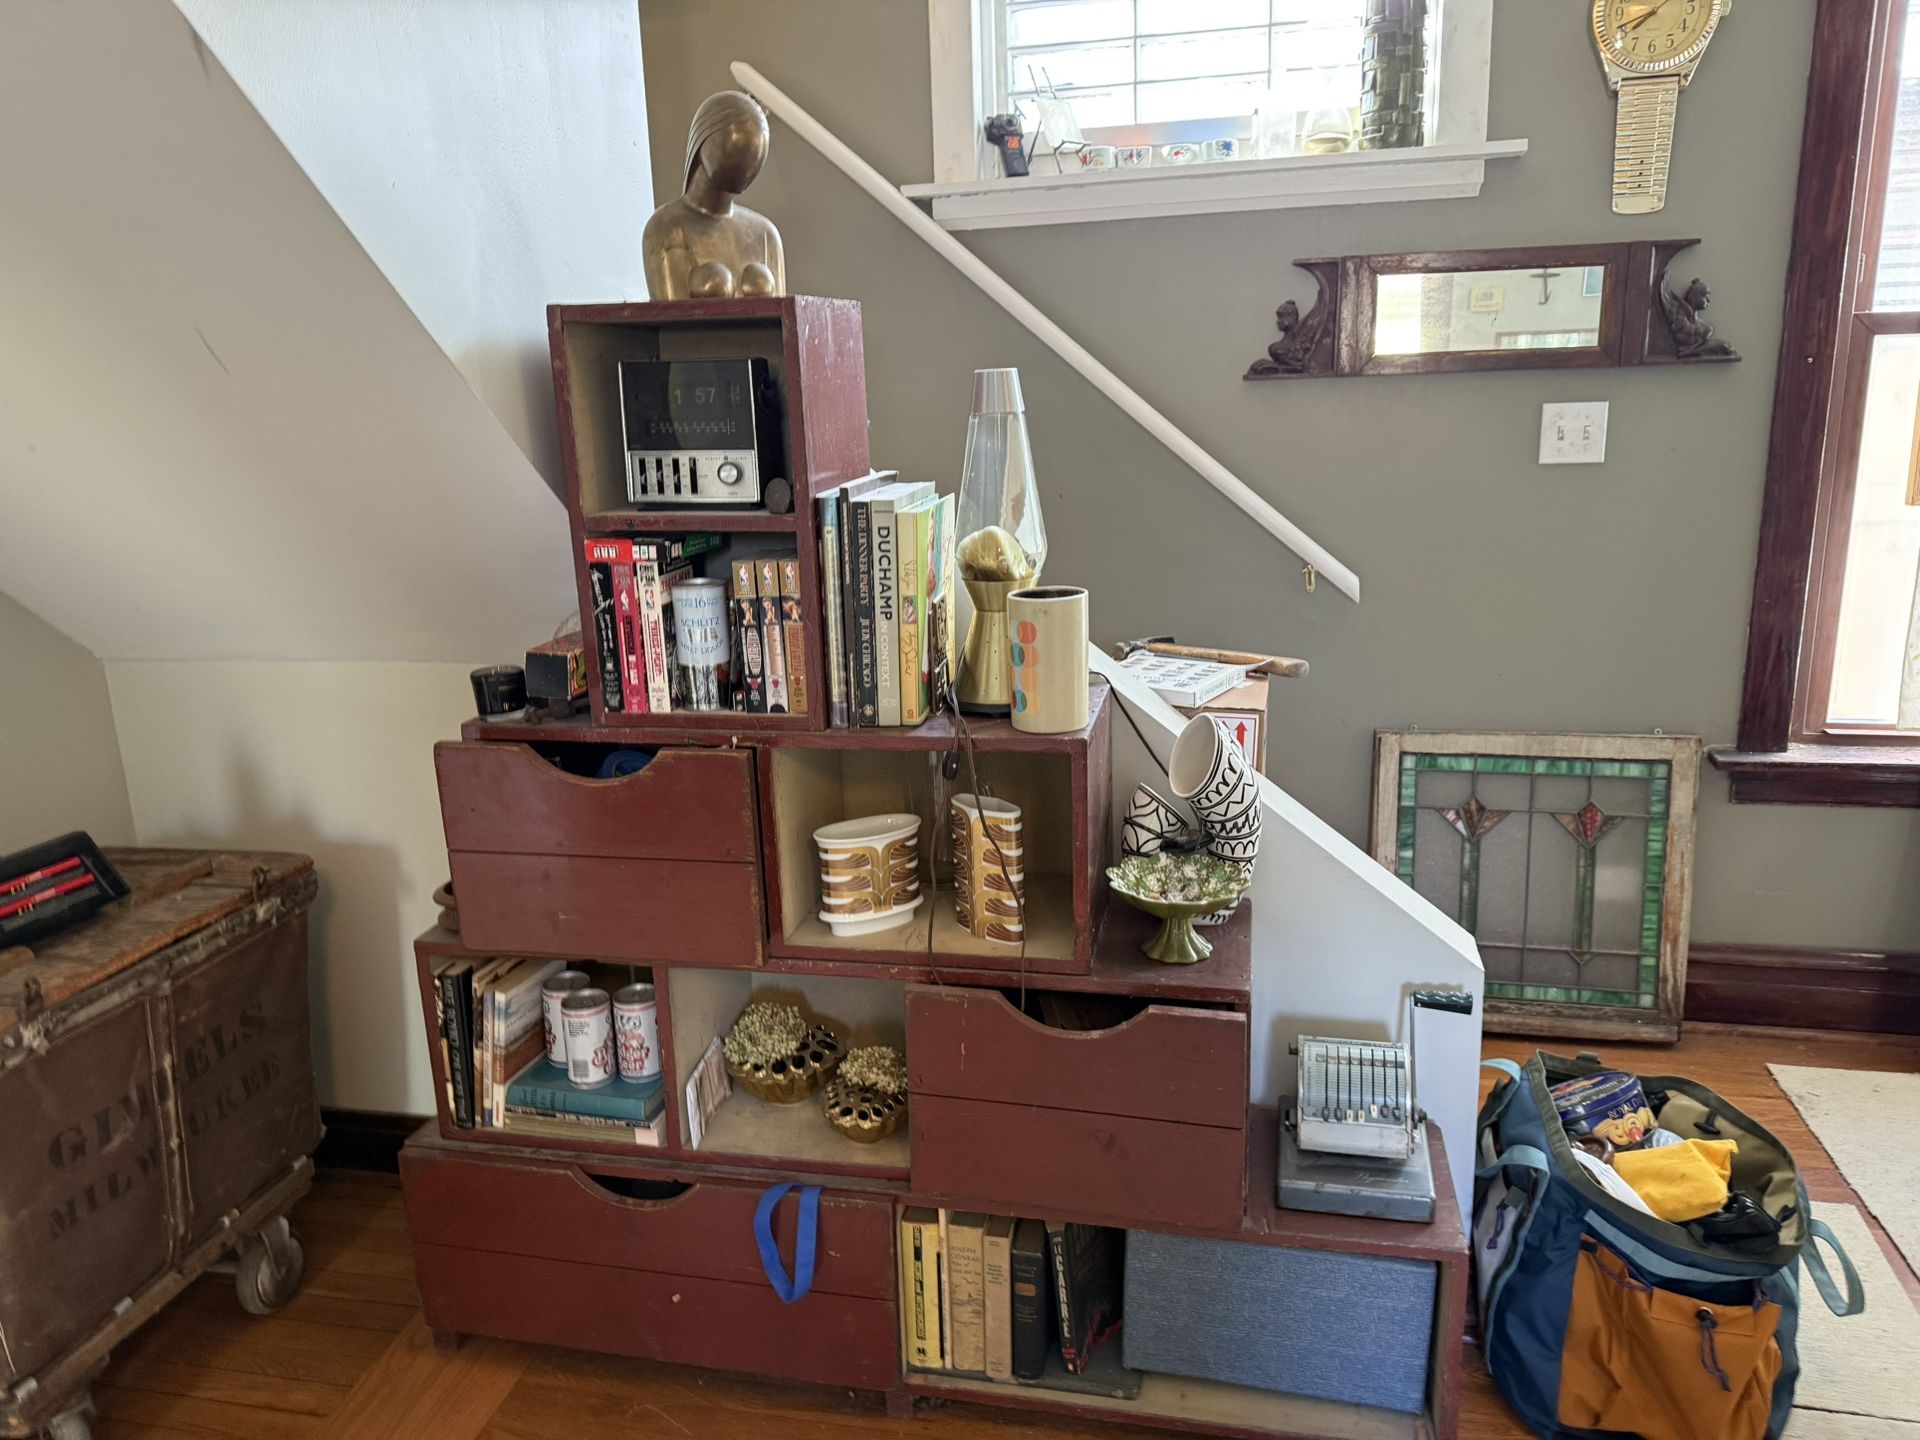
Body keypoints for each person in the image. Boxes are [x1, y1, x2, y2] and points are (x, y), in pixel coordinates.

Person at [643, 90, 786, 300]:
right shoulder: (668, 228)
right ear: (703, 143)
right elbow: (673, 319)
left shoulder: (765, 233)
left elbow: (783, 319)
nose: (746, 166)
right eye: (736, 150)